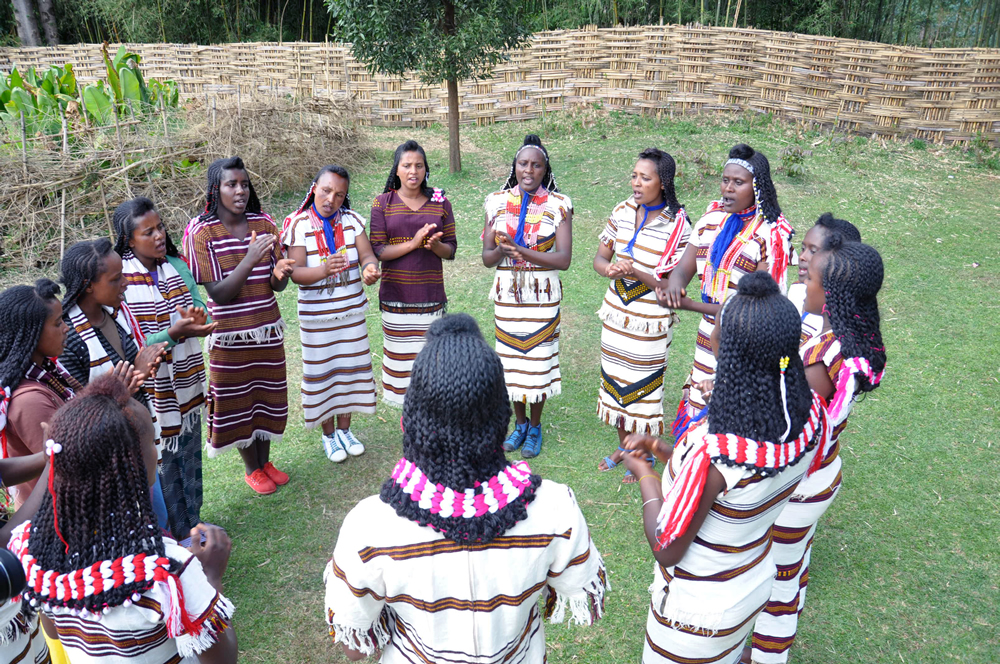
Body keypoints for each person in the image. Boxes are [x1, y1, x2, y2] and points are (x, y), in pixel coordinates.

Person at [324, 314, 607, 663]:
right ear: (502, 419)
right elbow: (581, 594)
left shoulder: (368, 527)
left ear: (408, 421)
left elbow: (354, 647)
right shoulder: (555, 509)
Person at [622, 272, 828, 664]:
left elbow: (666, 548)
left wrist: (646, 474)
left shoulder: (716, 453)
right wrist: (665, 450)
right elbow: (729, 490)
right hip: (750, 585)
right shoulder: (805, 418)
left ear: (725, 350)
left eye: (717, 327)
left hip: (697, 615)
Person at [6, 374, 237, 664]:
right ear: (132, 467)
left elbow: (55, 626)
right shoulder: (167, 569)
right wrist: (210, 577)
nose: (158, 452)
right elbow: (221, 659)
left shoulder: (30, 550)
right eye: (152, 442)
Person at [749, 238, 886, 664]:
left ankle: (767, 654)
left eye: (809, 278)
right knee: (790, 567)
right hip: (819, 471)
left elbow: (781, 415)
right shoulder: (843, 340)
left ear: (831, 294)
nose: (801, 280)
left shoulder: (826, 354)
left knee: (774, 589)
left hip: (799, 484)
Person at [657, 144, 794, 430]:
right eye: (725, 180)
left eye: (738, 182)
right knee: (701, 395)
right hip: (709, 333)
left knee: (733, 408)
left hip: (747, 338)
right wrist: (675, 286)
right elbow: (684, 266)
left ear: (757, 188)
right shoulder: (711, 220)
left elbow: (755, 307)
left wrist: (689, 304)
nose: (728, 189)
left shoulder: (772, 234)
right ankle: (694, 463)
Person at [184, 156, 295, 495]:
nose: (240, 190)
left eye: (244, 184)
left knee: (267, 397)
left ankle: (265, 461)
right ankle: (251, 468)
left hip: (266, 328)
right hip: (229, 337)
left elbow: (276, 285)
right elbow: (219, 292)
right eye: (231, 184)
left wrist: (279, 275)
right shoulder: (200, 232)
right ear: (215, 190)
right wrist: (250, 258)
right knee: (238, 403)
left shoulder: (264, 222)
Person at [113, 197, 216, 540]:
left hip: (186, 380)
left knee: (189, 454)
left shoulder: (175, 263)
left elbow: (197, 301)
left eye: (160, 228)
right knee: (163, 461)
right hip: (155, 390)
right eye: (148, 232)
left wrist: (199, 319)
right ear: (129, 240)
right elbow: (134, 340)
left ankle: (194, 521)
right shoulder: (121, 280)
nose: (159, 236)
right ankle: (177, 534)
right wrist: (175, 333)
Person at [58, 238, 170, 529]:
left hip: (138, 439)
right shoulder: (70, 340)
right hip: (112, 459)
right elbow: (81, 412)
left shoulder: (114, 316)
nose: (125, 283)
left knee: (159, 516)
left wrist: (144, 361)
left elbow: (128, 367)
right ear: (89, 285)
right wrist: (137, 377)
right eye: (116, 278)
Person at [593, 148, 690, 481]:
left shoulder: (678, 225)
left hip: (649, 320)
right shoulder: (622, 210)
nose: (636, 182)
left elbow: (672, 284)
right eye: (634, 175)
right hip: (617, 315)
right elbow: (599, 259)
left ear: (662, 183)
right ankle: (625, 448)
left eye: (644, 178)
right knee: (616, 382)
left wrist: (636, 273)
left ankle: (642, 454)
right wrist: (611, 270)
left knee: (643, 389)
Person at [482, 135, 572, 459]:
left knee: (537, 363)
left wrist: (521, 250)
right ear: (515, 167)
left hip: (542, 298)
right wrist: (501, 251)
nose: (529, 170)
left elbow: (564, 259)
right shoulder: (495, 203)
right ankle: (518, 425)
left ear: (545, 169)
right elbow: (486, 258)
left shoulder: (559, 205)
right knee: (511, 364)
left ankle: (535, 426)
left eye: (536, 164)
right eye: (523, 164)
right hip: (508, 298)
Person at [282, 165, 381, 463]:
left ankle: (346, 430)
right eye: (326, 190)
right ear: (314, 188)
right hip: (317, 320)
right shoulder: (299, 225)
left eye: (339, 194)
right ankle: (328, 435)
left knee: (349, 372)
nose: (331, 199)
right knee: (324, 375)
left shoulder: (352, 222)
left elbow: (366, 254)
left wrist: (369, 269)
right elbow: (295, 273)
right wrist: (323, 270)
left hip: (351, 313)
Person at [369, 140, 457, 407]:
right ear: (396, 169)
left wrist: (435, 246)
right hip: (396, 301)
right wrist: (414, 242)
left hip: (430, 301)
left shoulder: (440, 203)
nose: (413, 171)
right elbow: (379, 250)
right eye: (406, 165)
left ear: (426, 169)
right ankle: (409, 432)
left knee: (430, 371)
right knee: (401, 372)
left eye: (419, 165)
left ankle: (429, 432)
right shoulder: (382, 203)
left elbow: (451, 250)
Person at [0, 279, 79, 508]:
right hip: (57, 517)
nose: (66, 327)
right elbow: (69, 469)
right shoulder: (29, 401)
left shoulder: (47, 372)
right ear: (30, 335)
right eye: (57, 323)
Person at [786, 212, 861, 343]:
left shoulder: (842, 321)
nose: (802, 256)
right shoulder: (796, 291)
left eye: (813, 251)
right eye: (803, 248)